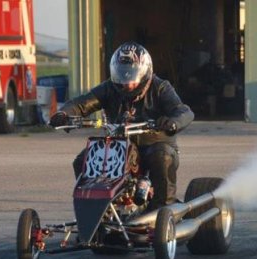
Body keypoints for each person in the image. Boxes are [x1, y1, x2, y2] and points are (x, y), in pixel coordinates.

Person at [49, 42, 194, 210]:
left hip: (154, 145)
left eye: (132, 75)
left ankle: (164, 209)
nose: (128, 83)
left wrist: (172, 123)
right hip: (121, 145)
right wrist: (64, 114)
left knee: (162, 157)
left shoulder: (160, 87)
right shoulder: (110, 88)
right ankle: (96, 207)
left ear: (144, 71)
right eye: (123, 75)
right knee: (83, 161)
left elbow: (184, 111)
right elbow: (81, 104)